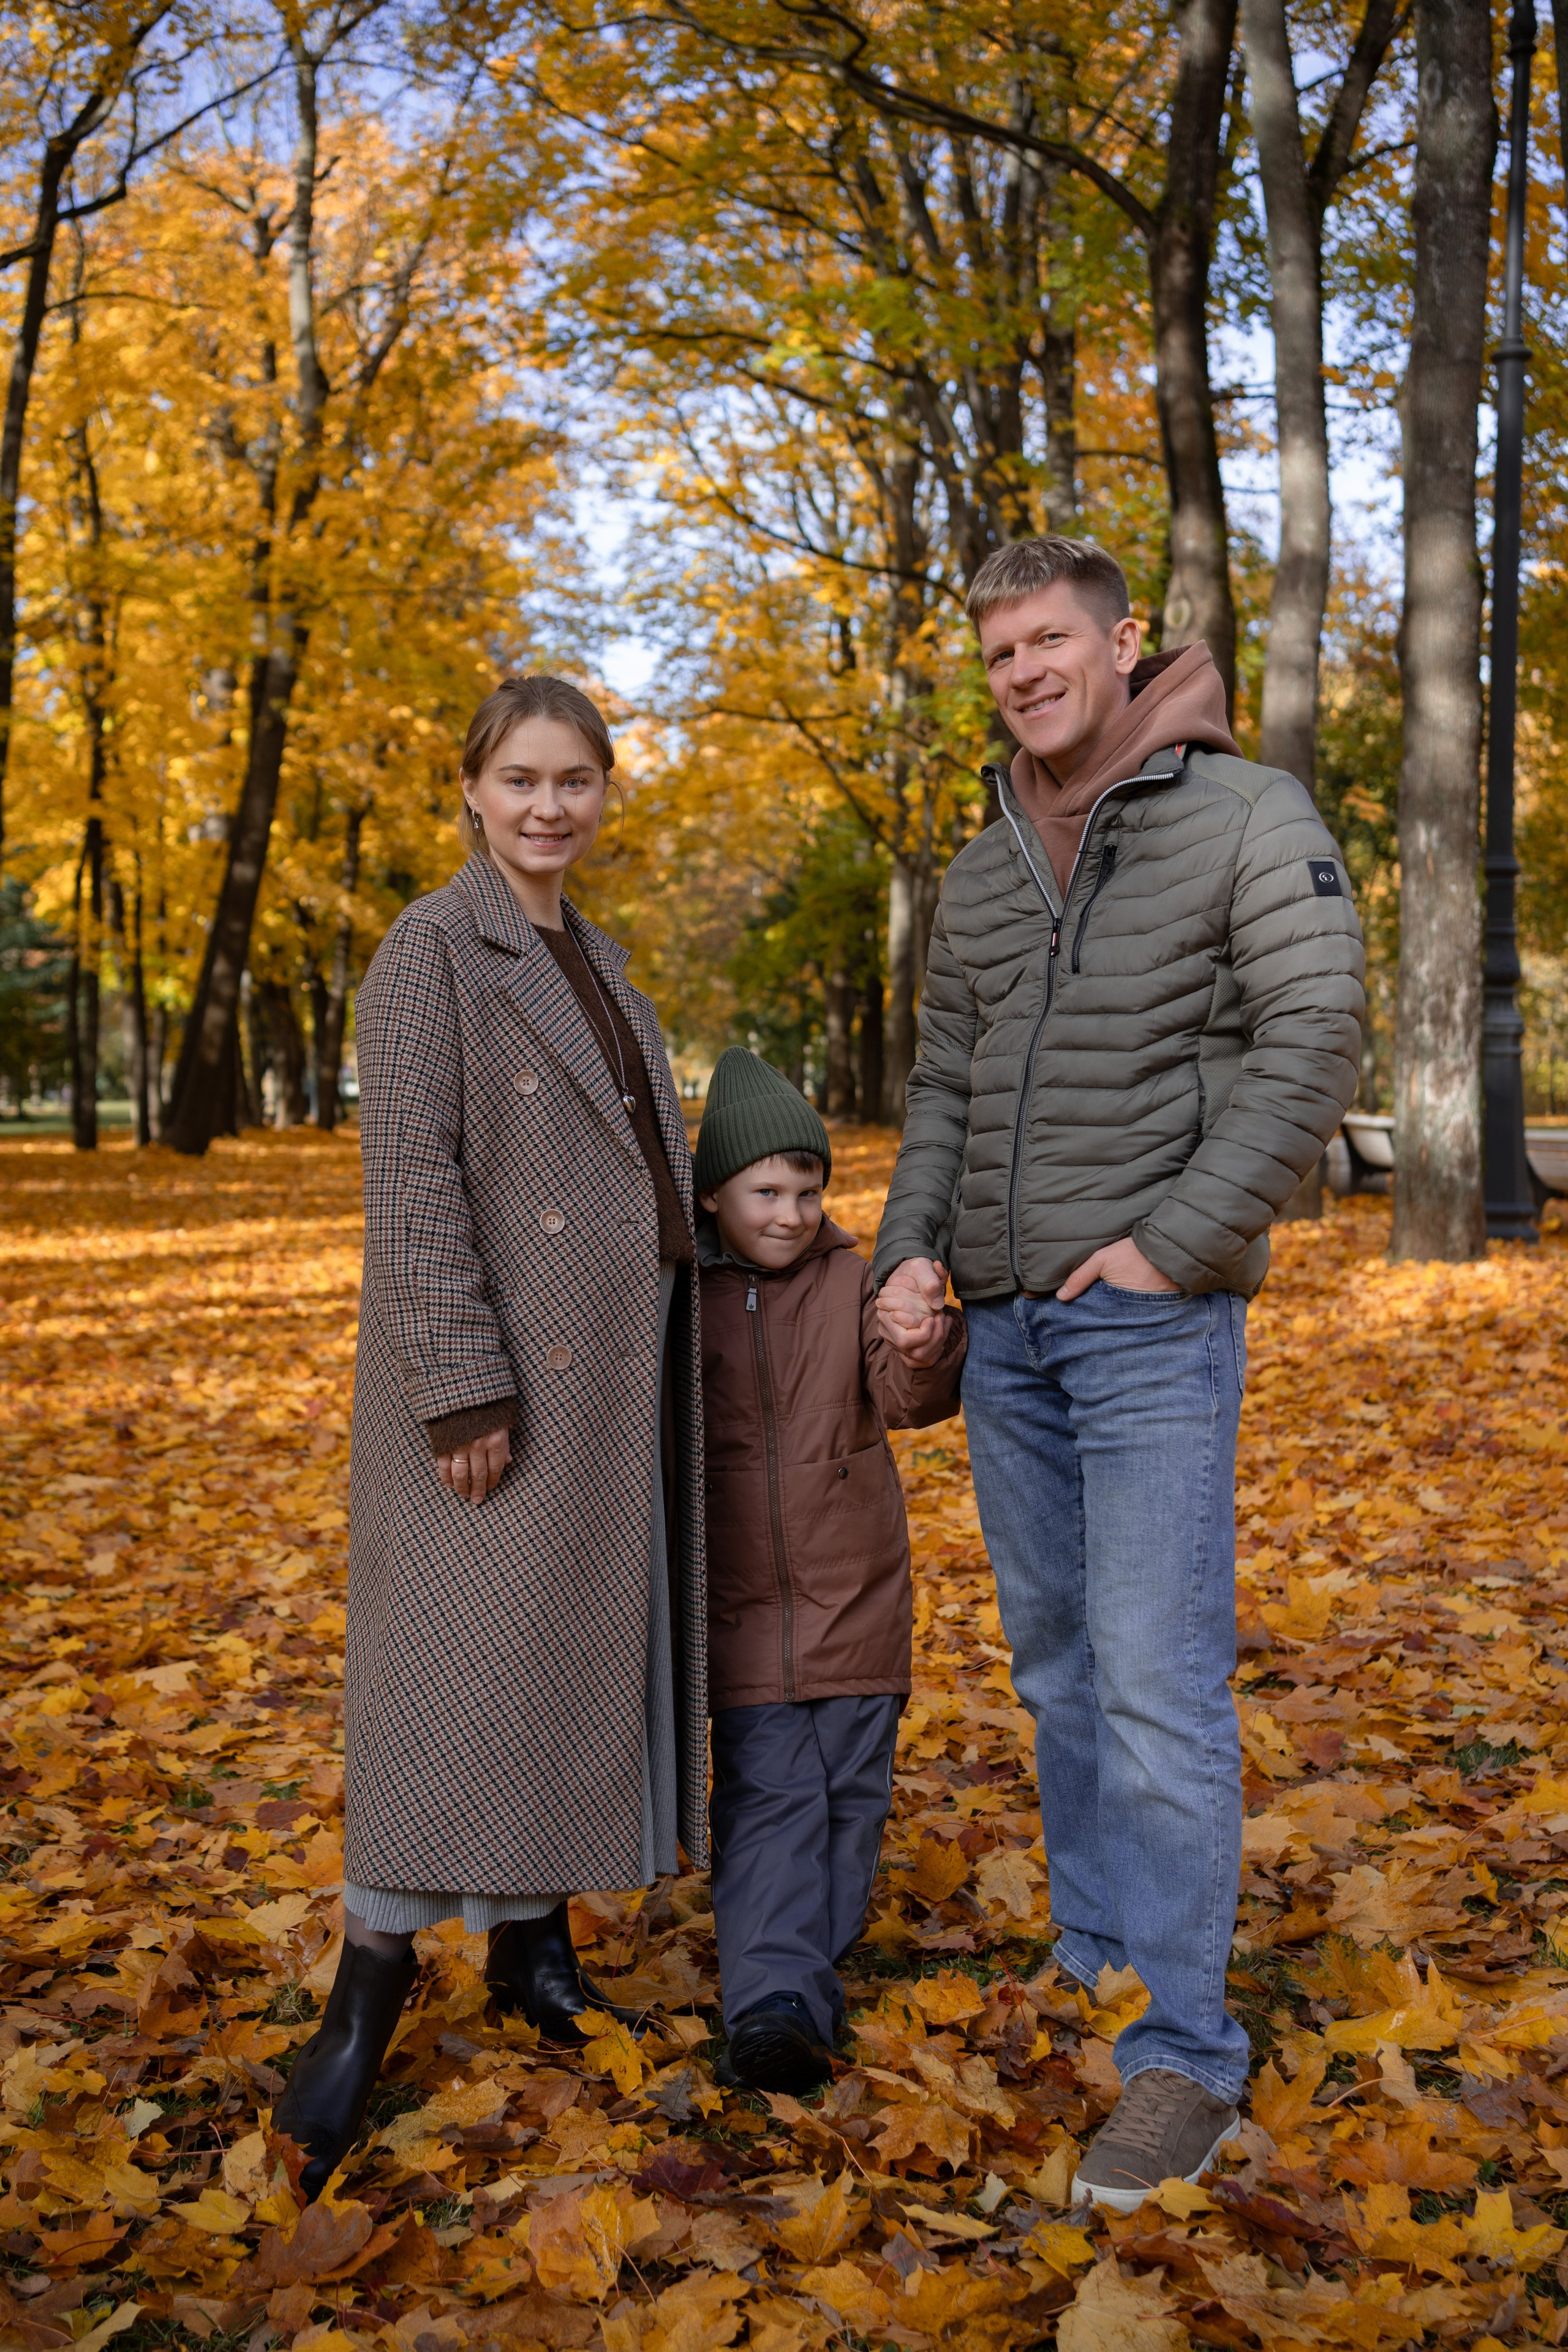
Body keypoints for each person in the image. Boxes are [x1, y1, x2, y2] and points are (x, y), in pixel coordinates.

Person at [873, 537, 1364, 2211]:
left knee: (1157, 1681)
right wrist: (908, 1255)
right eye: (999, 651)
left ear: (1122, 640)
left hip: (1149, 1321)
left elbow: (1314, 1041)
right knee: (1060, 1662)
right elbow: (942, 1084)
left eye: (1049, 641)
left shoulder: (1244, 815)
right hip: (1002, 1327)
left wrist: (1170, 1246)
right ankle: (1103, 1949)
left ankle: (1186, 2063)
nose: (1022, 673)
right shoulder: (986, 862)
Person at [275, 674, 706, 2200]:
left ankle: (533, 1949)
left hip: (606, 1384)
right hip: (491, 1388)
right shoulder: (426, 952)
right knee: (448, 1679)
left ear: (601, 792)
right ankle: (366, 1987)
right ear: (470, 789)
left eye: (575, 780)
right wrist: (462, 1380)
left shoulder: (599, 963)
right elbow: (411, 1183)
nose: (548, 807)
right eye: (520, 780)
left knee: (559, 1663)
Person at [692, 1047, 966, 2094]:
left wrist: (923, 1339)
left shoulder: (853, 1279)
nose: (792, 1212)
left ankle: (808, 1967)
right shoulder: (684, 1297)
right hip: (746, 1605)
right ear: (715, 1193)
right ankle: (771, 2006)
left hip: (857, 1593)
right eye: (766, 1191)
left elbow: (908, 1402)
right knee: (770, 1797)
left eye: (809, 1190)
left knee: (850, 1798)